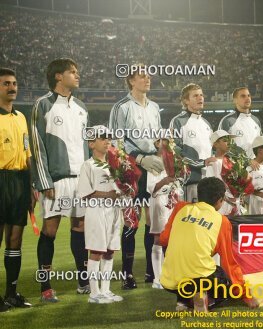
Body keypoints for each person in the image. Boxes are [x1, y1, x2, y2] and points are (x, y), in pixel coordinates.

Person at [30, 58, 89, 302]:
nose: (77, 76)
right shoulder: (42, 105)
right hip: (57, 180)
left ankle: (83, 282)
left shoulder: (81, 107)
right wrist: (44, 181)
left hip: (81, 179)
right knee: (50, 230)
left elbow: (86, 146)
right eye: (72, 72)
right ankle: (45, 287)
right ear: (58, 76)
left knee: (80, 228)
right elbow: (36, 146)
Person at [159, 177, 259, 312]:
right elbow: (229, 262)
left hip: (168, 280)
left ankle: (183, 301)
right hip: (200, 279)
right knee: (223, 278)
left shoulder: (180, 207)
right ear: (220, 201)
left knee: (178, 256)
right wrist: (246, 295)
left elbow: (164, 239)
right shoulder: (221, 221)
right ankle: (203, 299)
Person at [109, 64, 163, 289]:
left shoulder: (155, 107)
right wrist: (139, 159)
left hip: (154, 168)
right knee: (132, 221)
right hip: (133, 169)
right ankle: (127, 275)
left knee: (154, 222)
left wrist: (164, 153)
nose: (147, 79)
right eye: (142, 76)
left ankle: (152, 273)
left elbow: (158, 139)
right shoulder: (121, 107)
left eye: (149, 75)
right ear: (131, 81)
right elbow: (115, 142)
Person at [77, 125, 123, 304]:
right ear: (91, 143)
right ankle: (94, 293)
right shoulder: (87, 165)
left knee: (110, 252)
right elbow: (85, 193)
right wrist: (108, 195)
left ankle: (106, 290)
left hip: (113, 211)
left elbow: (120, 188)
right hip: (96, 211)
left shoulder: (115, 165)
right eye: (102, 138)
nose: (107, 141)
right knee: (96, 251)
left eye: (108, 138)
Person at [0, 68, 33, 310]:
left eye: (14, 83)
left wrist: (32, 185)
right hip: (1, 179)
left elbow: (27, 153)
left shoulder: (21, 117)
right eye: (5, 84)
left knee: (15, 239)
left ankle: (11, 293)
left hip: (20, 181)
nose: (12, 87)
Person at [169, 83, 216, 203]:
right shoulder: (178, 122)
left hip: (208, 182)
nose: (200, 98)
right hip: (190, 182)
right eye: (195, 96)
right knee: (190, 218)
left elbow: (212, 151)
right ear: (186, 101)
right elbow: (176, 152)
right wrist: (201, 163)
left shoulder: (206, 124)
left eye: (201, 95)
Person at [146, 137, 179, 289]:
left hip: (172, 202)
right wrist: (165, 180)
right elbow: (150, 187)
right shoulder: (153, 160)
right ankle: (157, 279)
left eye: (167, 141)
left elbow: (178, 182)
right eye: (162, 141)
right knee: (158, 239)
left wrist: (175, 188)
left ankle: (168, 275)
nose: (164, 144)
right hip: (159, 201)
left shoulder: (175, 160)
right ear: (157, 143)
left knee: (173, 240)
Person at [218, 87, 262, 160]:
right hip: (236, 167)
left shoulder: (256, 120)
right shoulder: (227, 120)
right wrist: (246, 161)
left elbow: (261, 145)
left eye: (249, 95)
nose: (247, 98)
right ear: (235, 100)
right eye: (243, 96)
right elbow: (223, 147)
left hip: (256, 166)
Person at [205, 130, 237, 215]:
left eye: (230, 140)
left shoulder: (234, 162)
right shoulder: (211, 163)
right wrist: (227, 198)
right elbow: (211, 187)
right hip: (220, 205)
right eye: (225, 140)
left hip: (235, 205)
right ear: (215, 144)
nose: (229, 143)